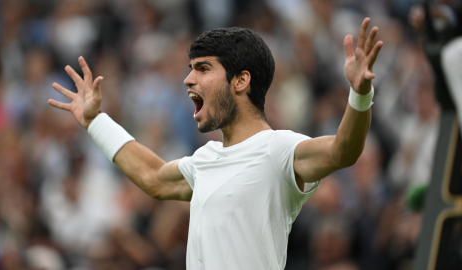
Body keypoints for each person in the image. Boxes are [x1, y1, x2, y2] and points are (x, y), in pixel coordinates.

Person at [48, 18, 382, 270]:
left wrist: (360, 93)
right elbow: (152, 176)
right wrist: (95, 121)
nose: (188, 79)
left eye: (203, 68)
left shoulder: (279, 149)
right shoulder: (204, 159)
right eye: (190, 69)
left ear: (241, 80)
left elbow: (343, 150)